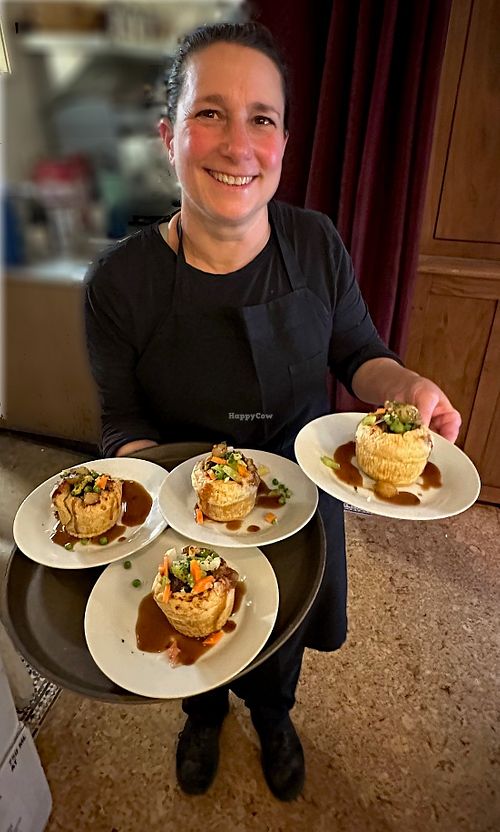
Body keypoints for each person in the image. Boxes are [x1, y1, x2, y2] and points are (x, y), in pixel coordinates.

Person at [84, 22, 461, 802]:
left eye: (262, 117)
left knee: (283, 630)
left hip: (297, 492)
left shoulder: (316, 243)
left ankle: (274, 713)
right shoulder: (120, 283)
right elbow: (120, 421)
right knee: (193, 628)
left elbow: (359, 353)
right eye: (209, 113)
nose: (238, 143)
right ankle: (202, 715)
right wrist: (164, 498)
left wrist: (405, 388)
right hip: (182, 506)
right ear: (168, 136)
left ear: (285, 139)